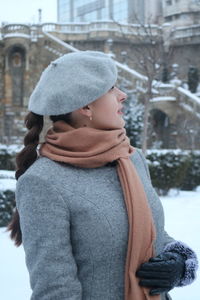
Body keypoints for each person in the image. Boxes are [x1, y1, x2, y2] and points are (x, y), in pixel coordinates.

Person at [7, 51, 198, 300]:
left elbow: (153, 234)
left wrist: (180, 261)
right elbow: (55, 291)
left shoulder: (131, 158)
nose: (123, 95)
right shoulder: (43, 182)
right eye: (112, 88)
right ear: (86, 105)